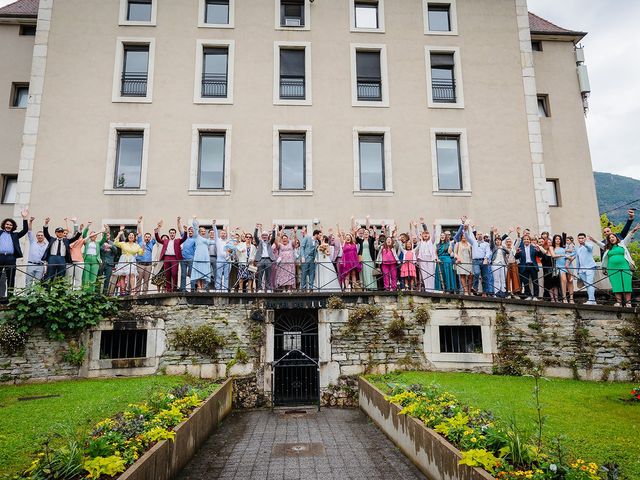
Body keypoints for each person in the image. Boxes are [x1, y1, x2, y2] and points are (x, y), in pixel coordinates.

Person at [600, 226, 639, 307]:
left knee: (626, 284)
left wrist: (633, 231)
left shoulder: (622, 244)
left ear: (616, 238)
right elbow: (599, 244)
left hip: (624, 266)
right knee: (616, 284)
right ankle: (619, 302)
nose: (611, 238)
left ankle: (628, 303)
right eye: (609, 238)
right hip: (612, 268)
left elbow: (628, 237)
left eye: (612, 236)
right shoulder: (607, 248)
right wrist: (593, 240)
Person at [42, 217, 82, 281]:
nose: (60, 233)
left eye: (62, 232)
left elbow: (75, 238)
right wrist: (46, 223)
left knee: (61, 276)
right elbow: (46, 233)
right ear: (56, 233)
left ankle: (59, 290)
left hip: (62, 259)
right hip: (52, 258)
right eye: (58, 232)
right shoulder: (52, 239)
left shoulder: (66, 241)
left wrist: (80, 230)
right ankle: (47, 290)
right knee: (50, 275)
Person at [0, 209, 29, 296]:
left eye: (10, 225)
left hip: (11, 258)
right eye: (7, 224)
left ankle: (10, 297)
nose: (8, 226)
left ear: (13, 227)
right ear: (4, 225)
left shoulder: (15, 235)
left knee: (11, 277)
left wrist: (25, 218)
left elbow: (25, 230)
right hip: (0, 257)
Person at [154, 219, 187, 293]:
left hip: (175, 258)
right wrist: (156, 232)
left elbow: (184, 238)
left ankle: (174, 289)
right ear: (169, 234)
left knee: (174, 273)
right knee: (167, 274)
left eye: (173, 233)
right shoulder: (165, 241)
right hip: (166, 258)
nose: (172, 234)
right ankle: (169, 290)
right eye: (171, 233)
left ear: (175, 234)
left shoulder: (177, 240)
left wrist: (185, 231)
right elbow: (158, 240)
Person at [113, 227, 143, 295]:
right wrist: (119, 234)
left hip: (132, 259)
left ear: (134, 237)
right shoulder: (123, 243)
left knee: (132, 275)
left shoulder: (137, 245)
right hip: (123, 259)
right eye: (129, 235)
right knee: (122, 275)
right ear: (127, 237)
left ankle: (133, 291)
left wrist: (143, 249)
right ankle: (123, 291)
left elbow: (140, 253)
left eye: (132, 235)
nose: (131, 236)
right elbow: (115, 243)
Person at [465, 226, 492, 296]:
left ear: (482, 236)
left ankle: (485, 292)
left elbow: (488, 252)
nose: (479, 235)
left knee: (485, 277)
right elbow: (467, 237)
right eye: (478, 234)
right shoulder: (473, 242)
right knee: (476, 273)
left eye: (481, 234)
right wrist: (465, 229)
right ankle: (475, 288)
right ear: (476, 236)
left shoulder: (486, 244)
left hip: (484, 261)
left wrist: (486, 258)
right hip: (475, 261)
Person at [191, 218, 216, 291]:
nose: (203, 232)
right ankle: (199, 287)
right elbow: (195, 228)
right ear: (199, 232)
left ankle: (202, 286)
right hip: (198, 256)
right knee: (198, 270)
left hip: (205, 257)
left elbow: (215, 242)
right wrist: (194, 219)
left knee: (203, 272)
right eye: (202, 231)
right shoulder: (197, 237)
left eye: (204, 231)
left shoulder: (206, 240)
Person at [81, 225, 108, 291]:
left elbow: (104, 238)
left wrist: (105, 231)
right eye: (92, 235)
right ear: (90, 236)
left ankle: (91, 292)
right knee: (85, 276)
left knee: (93, 277)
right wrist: (88, 226)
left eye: (94, 235)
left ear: (96, 236)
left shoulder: (98, 243)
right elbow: (84, 234)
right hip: (87, 259)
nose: (93, 236)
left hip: (95, 260)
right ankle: (85, 291)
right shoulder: (87, 242)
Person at [25, 215, 48, 289]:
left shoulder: (47, 245)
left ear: (44, 236)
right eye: (38, 235)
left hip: (40, 266)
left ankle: (36, 299)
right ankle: (27, 298)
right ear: (36, 236)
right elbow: (29, 231)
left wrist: (46, 268)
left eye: (41, 235)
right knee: (28, 282)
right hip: (31, 264)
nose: (40, 236)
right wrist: (30, 221)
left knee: (38, 284)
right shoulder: (33, 242)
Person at [516, 233, 542, 300]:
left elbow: (540, 256)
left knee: (535, 281)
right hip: (524, 266)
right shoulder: (520, 248)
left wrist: (539, 251)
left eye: (527, 239)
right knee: (525, 281)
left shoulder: (534, 247)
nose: (526, 240)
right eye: (524, 239)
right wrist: (517, 252)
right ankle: (528, 295)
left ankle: (536, 296)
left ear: (530, 240)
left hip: (532, 265)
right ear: (523, 240)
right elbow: (516, 257)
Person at [415, 220, 438, 292]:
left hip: (430, 258)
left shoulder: (431, 241)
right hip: (422, 258)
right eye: (424, 234)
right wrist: (415, 226)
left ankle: (431, 289)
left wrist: (434, 227)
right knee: (424, 274)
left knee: (431, 273)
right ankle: (426, 288)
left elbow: (434, 235)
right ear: (422, 235)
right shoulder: (420, 241)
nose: (425, 235)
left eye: (427, 234)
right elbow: (417, 234)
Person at [575, 233, 598, 305]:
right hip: (581, 270)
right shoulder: (578, 248)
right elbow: (577, 260)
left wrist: (584, 243)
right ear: (577, 239)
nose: (581, 239)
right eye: (579, 238)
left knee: (589, 283)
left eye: (582, 238)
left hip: (590, 267)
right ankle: (592, 300)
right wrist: (578, 271)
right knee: (587, 285)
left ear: (585, 238)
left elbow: (589, 247)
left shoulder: (589, 245)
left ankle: (591, 300)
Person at [213, 220, 234, 292]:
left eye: (224, 233)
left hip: (227, 260)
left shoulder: (228, 241)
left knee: (226, 275)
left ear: (226, 234)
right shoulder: (217, 240)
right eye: (222, 233)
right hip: (220, 259)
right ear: (220, 234)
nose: (223, 234)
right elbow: (215, 232)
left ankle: (225, 289)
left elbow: (232, 250)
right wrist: (214, 224)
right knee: (218, 274)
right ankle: (218, 288)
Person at [136, 216, 156, 294]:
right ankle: (137, 293)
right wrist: (139, 223)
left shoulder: (151, 243)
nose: (147, 238)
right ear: (144, 237)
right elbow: (140, 232)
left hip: (148, 265)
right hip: (140, 264)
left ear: (150, 238)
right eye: (146, 237)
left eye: (148, 237)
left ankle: (144, 294)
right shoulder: (140, 241)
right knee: (139, 280)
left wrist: (158, 228)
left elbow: (156, 236)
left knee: (146, 281)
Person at [254, 226, 277, 292]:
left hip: (268, 259)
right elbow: (255, 236)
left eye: (266, 235)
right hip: (260, 259)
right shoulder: (259, 242)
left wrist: (273, 230)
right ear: (261, 236)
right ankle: (259, 288)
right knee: (260, 275)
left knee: (268, 275)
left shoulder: (269, 242)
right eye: (263, 235)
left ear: (267, 236)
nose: (264, 236)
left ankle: (268, 288)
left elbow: (273, 238)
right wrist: (256, 229)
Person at [356, 216, 377, 290]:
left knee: (369, 271)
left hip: (369, 256)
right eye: (364, 232)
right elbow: (356, 237)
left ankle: (371, 286)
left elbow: (374, 236)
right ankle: (364, 286)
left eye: (367, 232)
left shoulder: (371, 240)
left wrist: (367, 220)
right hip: (362, 257)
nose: (366, 233)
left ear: (369, 234)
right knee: (363, 271)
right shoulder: (361, 240)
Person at [177, 218, 196, 292]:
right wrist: (178, 221)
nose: (190, 232)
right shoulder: (184, 237)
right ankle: (183, 289)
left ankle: (193, 289)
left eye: (192, 231)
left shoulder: (195, 239)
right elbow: (180, 229)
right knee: (183, 274)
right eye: (189, 231)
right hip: (183, 259)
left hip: (191, 259)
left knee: (192, 275)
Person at [454, 230, 472, 295]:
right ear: (461, 237)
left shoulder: (469, 244)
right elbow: (455, 253)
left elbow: (472, 253)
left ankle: (469, 290)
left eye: (465, 236)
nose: (464, 237)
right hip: (461, 261)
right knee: (462, 276)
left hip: (469, 261)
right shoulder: (458, 243)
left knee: (470, 275)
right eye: (463, 236)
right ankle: (466, 290)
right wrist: (457, 258)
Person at [100, 230, 118, 295]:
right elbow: (99, 248)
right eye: (105, 235)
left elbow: (116, 252)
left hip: (110, 263)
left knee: (107, 279)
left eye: (108, 235)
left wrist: (111, 246)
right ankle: (97, 293)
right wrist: (104, 248)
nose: (107, 236)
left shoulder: (112, 243)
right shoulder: (101, 242)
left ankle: (105, 294)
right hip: (101, 263)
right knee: (99, 278)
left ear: (110, 236)